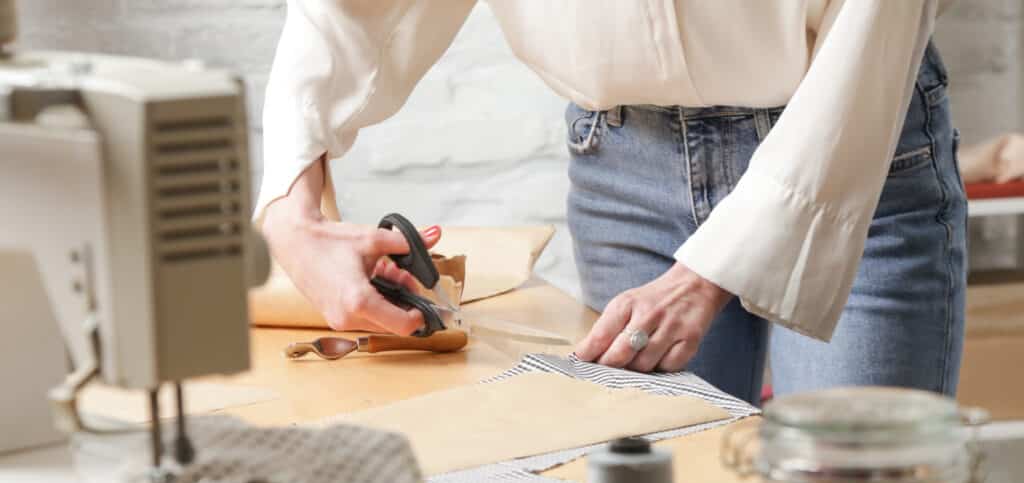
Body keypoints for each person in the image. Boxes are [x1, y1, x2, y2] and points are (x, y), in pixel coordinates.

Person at [256, 1, 962, 406]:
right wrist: (294, 214)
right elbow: (348, 15)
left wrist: (708, 273)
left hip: (851, 148)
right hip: (626, 164)